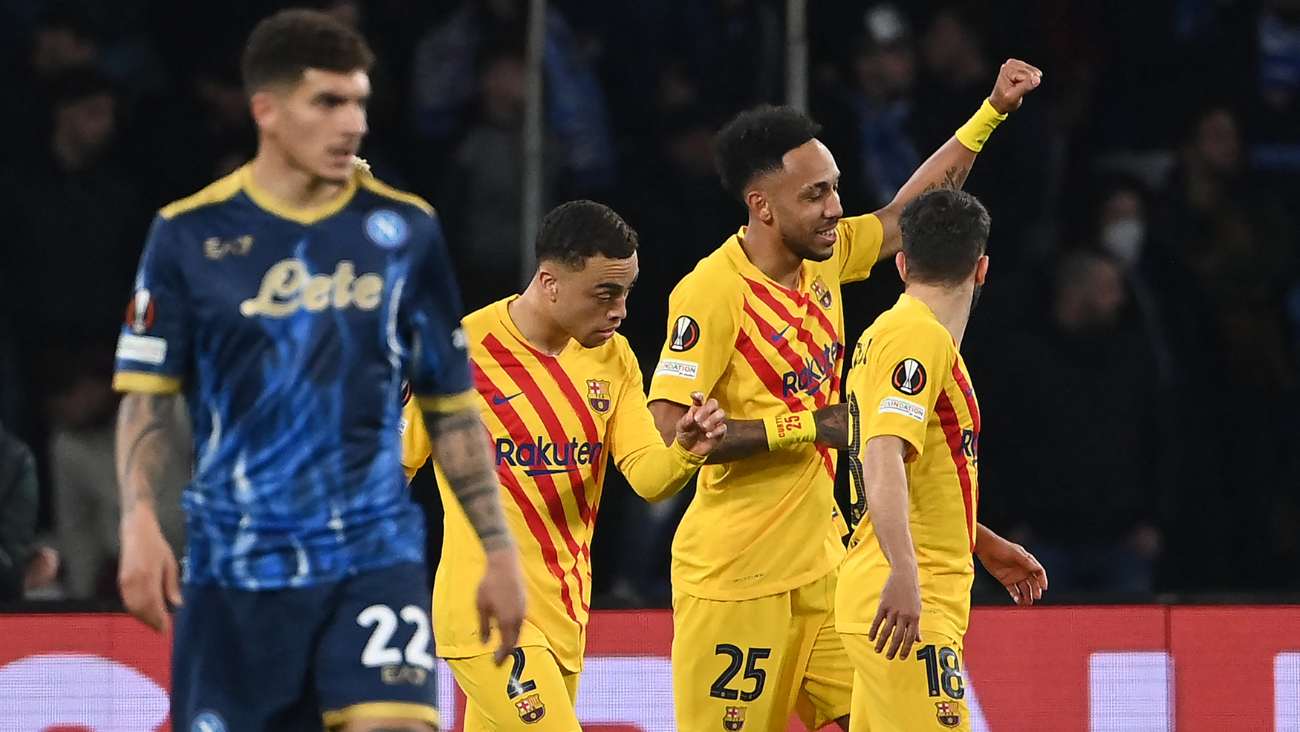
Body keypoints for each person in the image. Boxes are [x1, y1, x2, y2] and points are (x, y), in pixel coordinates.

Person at [111, 10, 525, 732]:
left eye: (360, 101)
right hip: (236, 566)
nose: (353, 123)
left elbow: (452, 406)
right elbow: (146, 400)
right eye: (329, 103)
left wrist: (498, 549)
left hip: (371, 551)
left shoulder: (404, 233)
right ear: (266, 111)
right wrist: (140, 519)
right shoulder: (188, 234)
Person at [647, 60, 1043, 732]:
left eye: (833, 189)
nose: (834, 207)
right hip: (738, 581)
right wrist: (806, 428)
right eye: (815, 195)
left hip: (829, 572)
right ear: (762, 205)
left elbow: (905, 218)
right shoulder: (710, 293)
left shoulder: (824, 258)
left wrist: (991, 112)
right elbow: (670, 428)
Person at [401, 200, 727, 732]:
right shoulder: (462, 354)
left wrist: (687, 448)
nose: (620, 310)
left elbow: (648, 478)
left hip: (567, 616)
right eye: (605, 293)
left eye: (626, 292)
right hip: (481, 611)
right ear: (550, 283)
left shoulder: (614, 358)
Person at [837, 188, 1047, 732]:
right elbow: (882, 454)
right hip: (906, 600)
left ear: (902, 263)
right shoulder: (917, 338)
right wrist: (905, 572)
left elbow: (909, 472)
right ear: (982, 270)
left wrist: (977, 539)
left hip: (899, 589)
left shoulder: (891, 334)